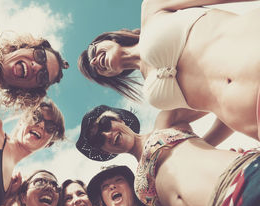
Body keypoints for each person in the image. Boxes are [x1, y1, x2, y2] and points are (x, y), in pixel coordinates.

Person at [76, 105, 260, 206]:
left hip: (240, 189)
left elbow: (220, 101)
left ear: (119, 118)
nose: (107, 135)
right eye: (99, 140)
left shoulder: (164, 121)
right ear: (105, 150)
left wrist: (204, 146)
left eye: (106, 124)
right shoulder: (140, 189)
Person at [78, 0, 260, 141]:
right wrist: (206, 147)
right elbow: (216, 106)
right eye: (94, 72)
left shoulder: (152, 9)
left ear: (108, 38)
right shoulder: (152, 92)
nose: (94, 61)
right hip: (253, 120)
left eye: (92, 51)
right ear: (111, 77)